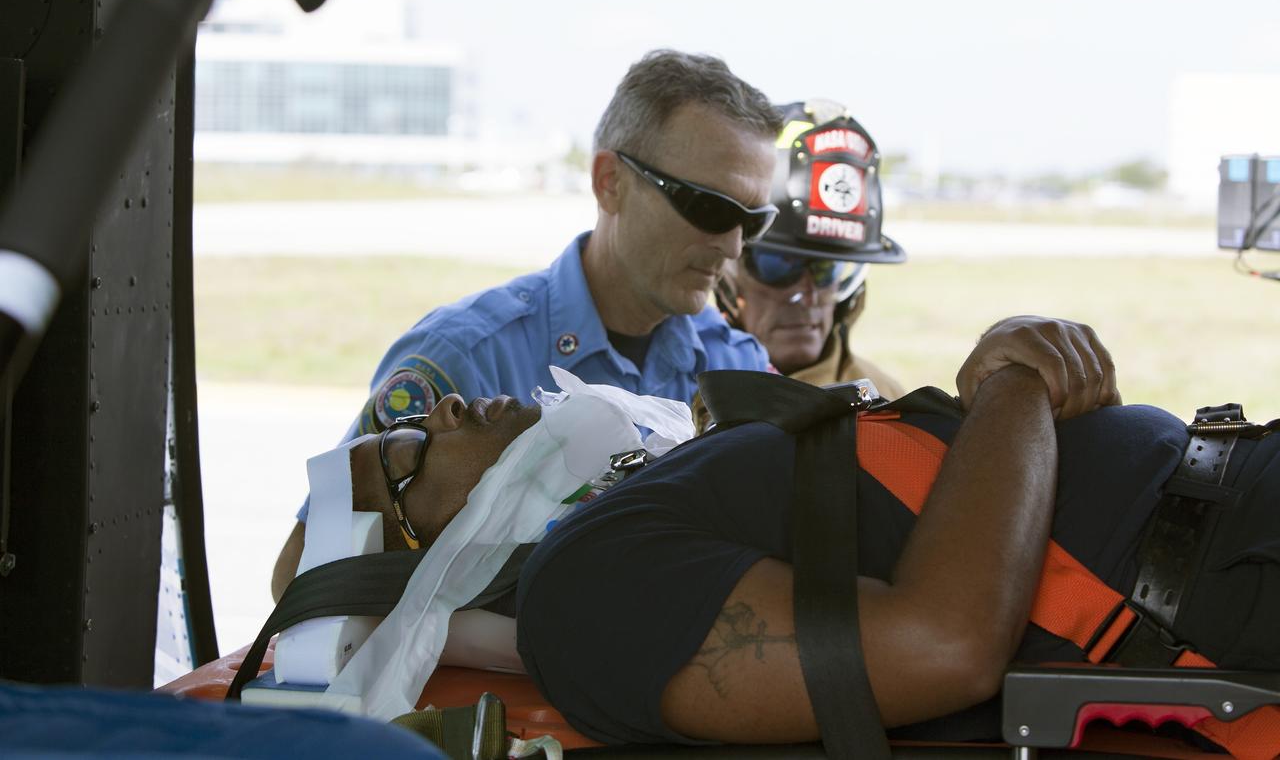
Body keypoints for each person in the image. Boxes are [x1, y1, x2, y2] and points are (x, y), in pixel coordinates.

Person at [317, 316, 1277, 751]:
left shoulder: (643, 490)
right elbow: (939, 642)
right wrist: (1017, 383)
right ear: (420, 557)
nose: (437, 411)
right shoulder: (584, 590)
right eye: (403, 455)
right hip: (1234, 567)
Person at [274, 49, 781, 597]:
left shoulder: (737, 368)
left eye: (753, 220)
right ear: (610, 182)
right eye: (708, 208)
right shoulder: (465, 359)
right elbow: (303, 581)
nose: (732, 246)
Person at [709, 100, 908, 417]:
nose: (807, 296)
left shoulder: (890, 404)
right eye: (779, 266)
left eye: (826, 269)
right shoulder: (675, 392)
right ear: (727, 273)